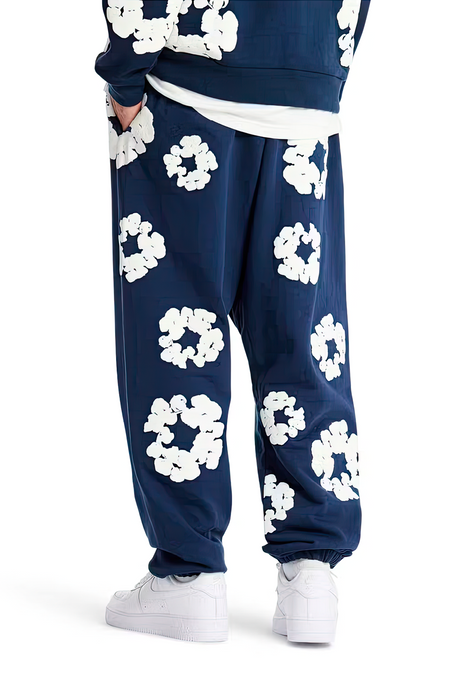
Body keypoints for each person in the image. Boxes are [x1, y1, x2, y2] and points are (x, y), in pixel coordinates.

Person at [94, 0, 371, 644]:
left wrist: (125, 80)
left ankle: (189, 575)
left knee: (178, 333)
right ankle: (310, 573)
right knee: (302, 339)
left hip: (190, 89)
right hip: (304, 92)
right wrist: (321, 70)